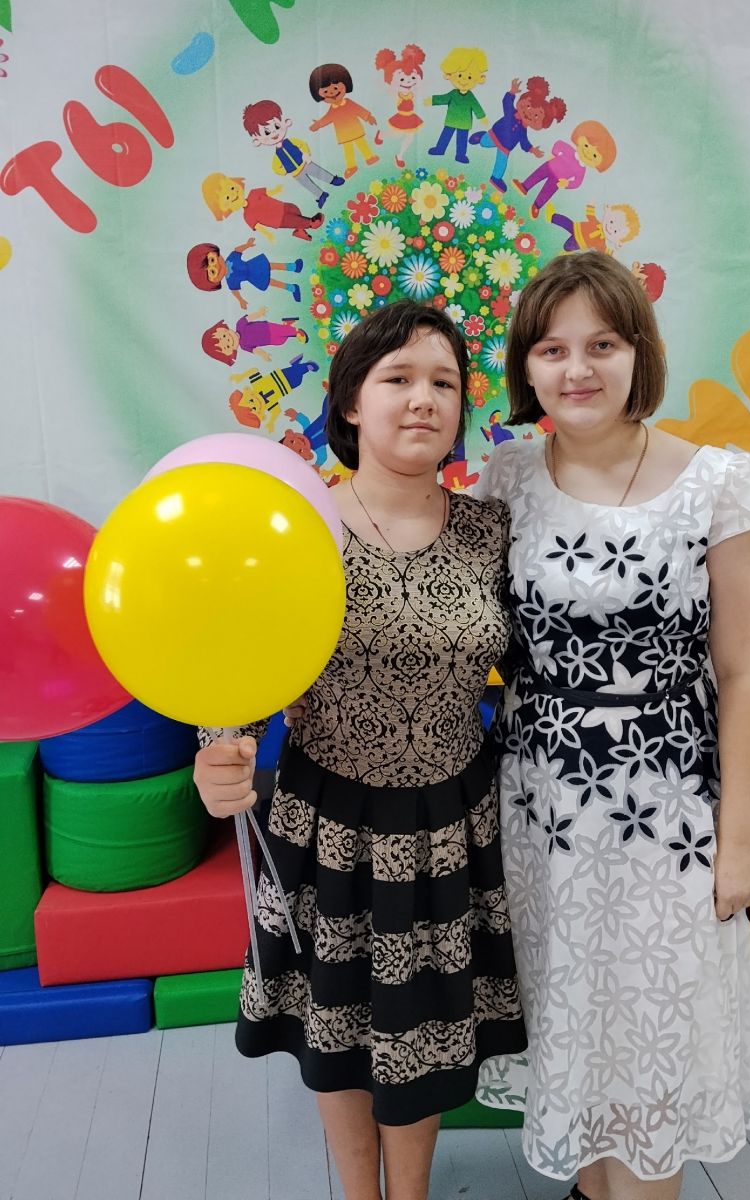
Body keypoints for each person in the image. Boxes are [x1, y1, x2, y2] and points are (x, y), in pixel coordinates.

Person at [474, 250, 750, 1200]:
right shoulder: (507, 477)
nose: (577, 369)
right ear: (527, 368)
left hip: (669, 813)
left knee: (654, 1043)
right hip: (539, 814)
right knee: (576, 1029)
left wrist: (741, 841)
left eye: (602, 345)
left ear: (639, 353)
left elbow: (745, 677)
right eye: (552, 349)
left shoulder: (720, 485)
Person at [193, 299, 527, 1200]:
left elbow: (533, 663)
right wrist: (218, 750)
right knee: (335, 1026)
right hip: (329, 820)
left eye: (445, 383)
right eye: (398, 378)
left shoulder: (491, 531)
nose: (424, 399)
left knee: (424, 1029)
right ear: (350, 402)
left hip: (452, 822)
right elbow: (235, 666)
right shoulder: (301, 526)